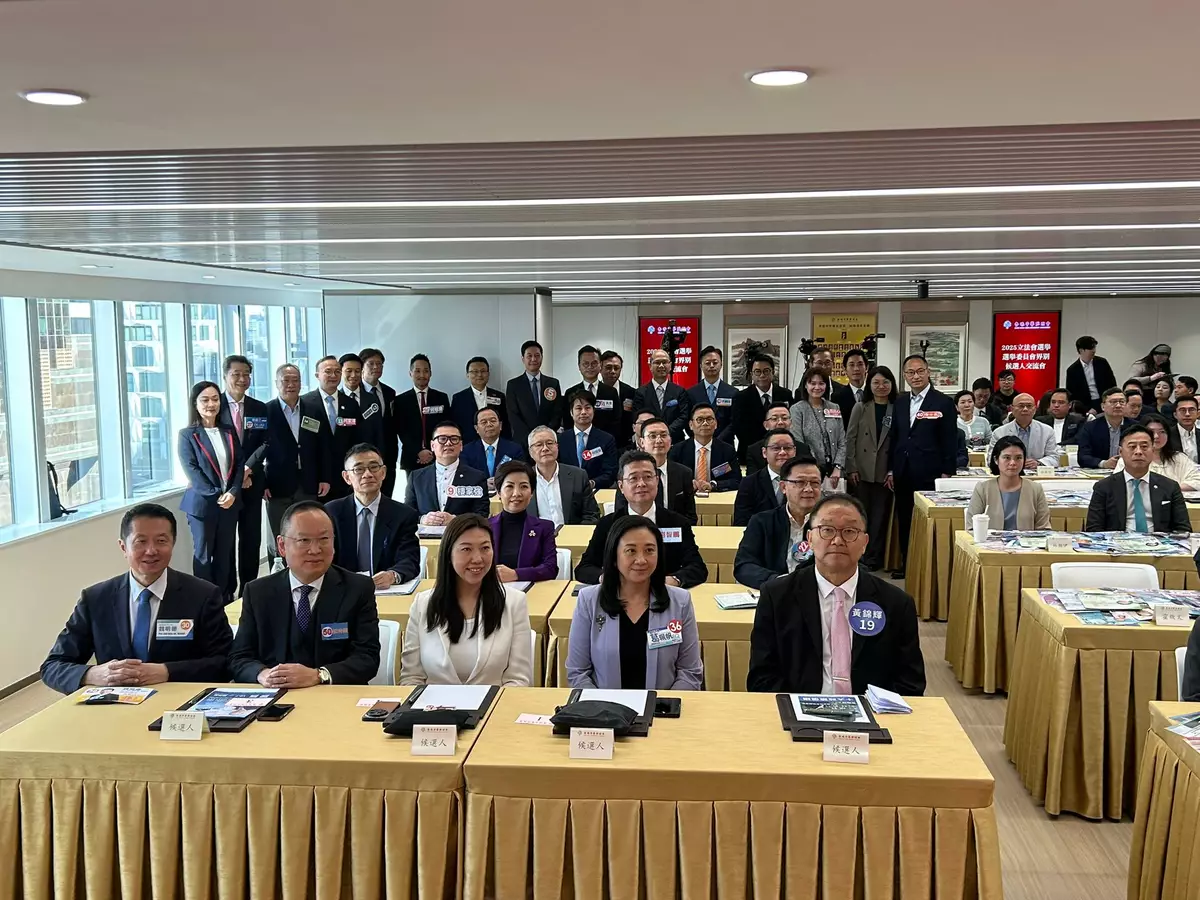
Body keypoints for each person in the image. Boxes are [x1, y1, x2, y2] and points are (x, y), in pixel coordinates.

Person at [41, 504, 232, 693]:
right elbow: (53, 666)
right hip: (115, 704)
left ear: (173, 544)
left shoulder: (202, 595)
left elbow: (224, 662)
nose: (151, 550)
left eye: (161, 541)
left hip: (178, 701)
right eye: (141, 542)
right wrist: (93, 674)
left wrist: (166, 671)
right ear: (123, 547)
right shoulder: (96, 599)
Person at [746, 495, 926, 695]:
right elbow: (762, 677)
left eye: (849, 531)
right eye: (827, 530)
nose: (838, 540)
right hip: (798, 709)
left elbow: (910, 683)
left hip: (872, 712)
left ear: (865, 542)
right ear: (810, 539)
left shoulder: (896, 603)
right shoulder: (776, 596)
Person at [229, 501, 380, 686]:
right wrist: (263, 674)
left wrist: (320, 675)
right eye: (304, 540)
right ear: (282, 545)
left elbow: (367, 657)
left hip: (336, 695)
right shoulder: (258, 592)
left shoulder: (358, 588)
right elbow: (239, 657)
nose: (315, 550)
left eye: (324, 539)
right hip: (275, 695)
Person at [566, 516, 703, 690]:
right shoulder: (589, 601)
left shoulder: (680, 602)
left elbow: (689, 672)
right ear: (614, 556)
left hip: (663, 704)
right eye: (631, 551)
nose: (641, 560)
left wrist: (663, 703)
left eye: (649, 550)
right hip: (602, 705)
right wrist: (601, 704)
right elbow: (578, 672)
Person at [401, 513, 533, 686]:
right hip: (433, 702)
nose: (478, 559)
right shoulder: (423, 604)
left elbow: (518, 679)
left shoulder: (514, 602)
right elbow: (411, 678)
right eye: (466, 549)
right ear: (448, 553)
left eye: (485, 548)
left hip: (493, 702)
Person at [575, 451, 708, 587]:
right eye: (633, 478)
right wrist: (608, 579)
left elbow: (697, 568)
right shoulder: (607, 524)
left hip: (665, 592)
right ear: (621, 486)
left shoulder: (677, 522)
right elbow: (584, 568)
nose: (641, 484)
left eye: (648, 477)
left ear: (657, 481)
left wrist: (673, 580)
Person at [888, 354, 958, 577]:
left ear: (928, 372)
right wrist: (891, 469)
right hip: (903, 470)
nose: (915, 376)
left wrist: (947, 472)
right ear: (904, 376)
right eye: (910, 372)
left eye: (920, 371)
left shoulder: (943, 402)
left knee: (928, 520)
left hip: (931, 472)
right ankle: (908, 564)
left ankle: (928, 567)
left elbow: (950, 439)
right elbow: (895, 436)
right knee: (905, 519)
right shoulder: (900, 402)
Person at [178, 381, 244, 601]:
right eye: (205, 400)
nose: (211, 404)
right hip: (203, 505)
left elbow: (239, 465)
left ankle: (224, 599)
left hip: (229, 503)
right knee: (204, 556)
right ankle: (205, 602)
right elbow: (192, 471)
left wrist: (233, 492)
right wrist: (218, 495)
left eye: (215, 399)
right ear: (195, 404)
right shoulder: (187, 435)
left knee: (225, 555)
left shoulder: (228, 431)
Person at [325, 443, 421, 588]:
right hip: (342, 589)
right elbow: (325, 557)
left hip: (386, 591)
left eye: (374, 467)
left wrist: (392, 575)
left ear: (383, 472)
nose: (368, 474)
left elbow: (409, 559)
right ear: (347, 477)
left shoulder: (403, 515)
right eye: (359, 469)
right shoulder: (331, 513)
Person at [263, 364, 330, 560]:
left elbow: (324, 446)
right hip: (277, 485)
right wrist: (262, 483)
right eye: (286, 380)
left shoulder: (313, 409)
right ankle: (280, 572)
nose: (291, 385)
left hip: (308, 482)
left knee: (308, 531)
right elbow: (257, 451)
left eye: (295, 380)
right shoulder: (266, 411)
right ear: (276, 383)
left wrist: (325, 477)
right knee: (280, 535)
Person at [219, 355, 269, 597]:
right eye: (236, 374)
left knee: (250, 539)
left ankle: (248, 591)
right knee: (226, 541)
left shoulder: (259, 408)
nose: (242, 379)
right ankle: (227, 592)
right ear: (225, 376)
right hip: (224, 485)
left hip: (252, 483)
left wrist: (248, 468)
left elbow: (265, 443)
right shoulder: (214, 405)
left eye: (246, 374)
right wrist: (237, 476)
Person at [734, 457, 824, 588]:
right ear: (783, 487)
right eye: (800, 482)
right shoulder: (762, 521)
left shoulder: (830, 525)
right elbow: (744, 566)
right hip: (774, 592)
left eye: (815, 483)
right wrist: (778, 581)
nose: (809, 489)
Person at [1085, 424, 1190, 533]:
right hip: (1117, 542)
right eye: (1132, 447)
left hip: (1159, 541)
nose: (1138, 452)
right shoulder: (1104, 487)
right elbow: (1094, 530)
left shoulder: (1170, 487)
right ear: (1120, 452)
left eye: (1144, 447)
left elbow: (1183, 529)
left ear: (1153, 451)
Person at [844, 365, 896, 570]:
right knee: (861, 516)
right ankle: (860, 556)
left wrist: (893, 470)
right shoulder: (861, 407)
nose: (881, 386)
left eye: (885, 382)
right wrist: (851, 467)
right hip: (862, 471)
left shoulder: (897, 408)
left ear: (892, 384)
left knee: (880, 517)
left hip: (885, 472)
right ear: (869, 385)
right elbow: (850, 438)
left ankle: (875, 558)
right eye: (876, 382)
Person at [615, 417, 697, 523]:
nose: (659, 441)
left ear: (670, 440)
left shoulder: (684, 473)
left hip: (672, 531)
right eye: (652, 436)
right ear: (642, 442)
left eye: (663, 435)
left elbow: (690, 516)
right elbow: (620, 514)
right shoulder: (629, 472)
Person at [404, 421, 490, 523]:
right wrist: (423, 519)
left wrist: (455, 520)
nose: (448, 443)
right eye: (442, 439)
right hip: (425, 532)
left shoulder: (477, 478)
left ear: (461, 445)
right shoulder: (416, 477)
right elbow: (407, 514)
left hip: (462, 532)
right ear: (432, 445)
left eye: (454, 439)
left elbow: (482, 514)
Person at [488, 461, 560, 583]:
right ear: (499, 492)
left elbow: (550, 569)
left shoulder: (545, 527)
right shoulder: (485, 527)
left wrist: (515, 574)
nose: (517, 493)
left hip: (531, 591)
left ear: (531, 493)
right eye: (509, 487)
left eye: (524, 487)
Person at [302, 355, 359, 500]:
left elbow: (356, 437)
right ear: (317, 375)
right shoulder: (304, 403)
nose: (333, 375)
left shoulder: (351, 404)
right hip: (315, 475)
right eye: (328, 371)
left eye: (337, 371)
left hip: (344, 474)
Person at [968, 437, 1051, 530]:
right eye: (1007, 458)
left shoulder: (1035, 489)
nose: (1012, 463)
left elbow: (1044, 529)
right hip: (988, 539)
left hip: (1028, 540)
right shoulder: (982, 489)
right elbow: (971, 527)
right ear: (996, 459)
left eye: (1018, 458)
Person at [526, 425, 600, 525]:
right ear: (530, 452)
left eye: (549, 443)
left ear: (557, 447)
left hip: (572, 534)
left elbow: (591, 515)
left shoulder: (578, 476)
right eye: (539, 445)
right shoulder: (524, 479)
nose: (545, 448)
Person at [789, 364, 846, 487]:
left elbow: (842, 440)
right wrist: (815, 467)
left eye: (821, 383)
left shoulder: (834, 407)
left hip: (835, 473)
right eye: (812, 383)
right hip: (808, 470)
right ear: (805, 385)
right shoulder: (797, 409)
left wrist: (838, 467)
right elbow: (798, 442)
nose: (817, 387)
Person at [394, 354, 450, 475]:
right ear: (410, 373)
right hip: (412, 458)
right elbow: (401, 430)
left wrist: (432, 450)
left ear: (430, 373)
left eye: (426, 371)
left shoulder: (441, 398)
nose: (422, 375)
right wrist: (418, 451)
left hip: (438, 456)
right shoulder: (400, 400)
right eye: (417, 371)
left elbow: (445, 426)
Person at [669, 402, 741, 493]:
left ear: (716, 424)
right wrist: (686, 484)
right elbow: (670, 479)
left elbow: (737, 480)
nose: (705, 423)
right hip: (687, 497)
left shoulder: (727, 450)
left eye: (709, 419)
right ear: (691, 425)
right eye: (700, 420)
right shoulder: (677, 450)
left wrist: (713, 485)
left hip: (717, 497)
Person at [732, 354, 793, 461]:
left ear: (773, 372)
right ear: (751, 374)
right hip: (750, 452)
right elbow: (739, 429)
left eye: (766, 371)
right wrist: (767, 446)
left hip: (781, 451)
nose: (762, 375)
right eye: (757, 371)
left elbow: (789, 423)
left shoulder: (785, 394)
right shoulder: (741, 397)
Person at [1115, 414, 1200, 490]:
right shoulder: (1129, 458)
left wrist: (1171, 490)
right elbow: (1118, 484)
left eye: (1162, 432)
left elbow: (1197, 479)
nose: (1156, 436)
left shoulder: (1179, 458)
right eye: (1151, 432)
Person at [733, 428, 797, 526]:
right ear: (764, 452)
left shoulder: (805, 482)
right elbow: (741, 521)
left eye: (788, 448)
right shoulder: (749, 483)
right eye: (776, 448)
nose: (782, 452)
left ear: (795, 451)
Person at [506, 340, 563, 447]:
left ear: (542, 357)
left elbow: (557, 412)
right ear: (523, 358)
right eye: (529, 356)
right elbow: (513, 415)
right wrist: (531, 439)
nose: (533, 359)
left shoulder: (553, 383)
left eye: (537, 355)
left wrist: (545, 435)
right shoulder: (513, 385)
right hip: (523, 442)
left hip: (548, 441)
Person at [557, 389, 619, 489]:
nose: (583, 412)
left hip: (597, 490)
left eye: (587, 408)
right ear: (571, 412)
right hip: (566, 489)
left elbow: (610, 472)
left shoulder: (606, 439)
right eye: (578, 408)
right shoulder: (560, 439)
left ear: (593, 411)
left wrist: (592, 483)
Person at [359, 348, 399, 496]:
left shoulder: (390, 392)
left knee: (386, 497)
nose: (376, 367)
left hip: (387, 455)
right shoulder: (354, 393)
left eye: (379, 364)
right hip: (363, 456)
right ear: (362, 367)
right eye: (371, 363)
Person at [632, 348, 692, 442]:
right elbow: (638, 418)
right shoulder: (640, 393)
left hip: (675, 440)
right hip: (649, 441)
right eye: (657, 362)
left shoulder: (680, 391)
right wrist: (654, 432)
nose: (661, 365)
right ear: (650, 366)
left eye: (664, 362)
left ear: (670, 365)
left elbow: (684, 416)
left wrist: (666, 432)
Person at [986, 393, 1059, 469]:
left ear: (1035, 409)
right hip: (1009, 471)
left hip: (1037, 472)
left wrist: (1038, 463)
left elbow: (1054, 458)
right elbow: (991, 459)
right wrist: (1011, 462)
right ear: (1012, 409)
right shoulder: (999, 432)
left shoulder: (1047, 431)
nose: (1025, 409)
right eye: (1021, 406)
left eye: (1029, 406)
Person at [565, 344, 622, 439]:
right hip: (579, 440)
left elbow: (616, 421)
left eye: (594, 363)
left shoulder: (611, 392)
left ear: (600, 365)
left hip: (605, 441)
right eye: (586, 363)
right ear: (579, 366)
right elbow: (567, 422)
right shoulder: (571, 392)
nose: (590, 367)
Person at [340, 353, 386, 468]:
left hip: (369, 460)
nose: (353, 375)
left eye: (357, 371)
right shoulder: (336, 400)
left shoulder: (372, 399)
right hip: (343, 461)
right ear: (341, 372)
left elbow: (378, 433)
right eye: (349, 371)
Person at [450, 355, 511, 442]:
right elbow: (455, 424)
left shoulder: (499, 396)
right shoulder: (458, 398)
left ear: (488, 374)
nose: (479, 375)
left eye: (483, 371)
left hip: (496, 442)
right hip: (469, 444)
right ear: (467, 375)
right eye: (475, 371)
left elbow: (505, 423)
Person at [686, 345, 737, 443]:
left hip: (725, 444)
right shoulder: (691, 393)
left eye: (715, 362)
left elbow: (734, 422)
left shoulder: (733, 392)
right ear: (701, 366)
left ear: (721, 364)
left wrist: (718, 440)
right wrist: (700, 438)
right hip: (699, 444)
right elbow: (688, 421)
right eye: (708, 363)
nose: (712, 365)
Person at [460, 406, 525, 482]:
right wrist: (484, 484)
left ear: (500, 425)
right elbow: (465, 476)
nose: (489, 424)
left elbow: (520, 475)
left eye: (493, 421)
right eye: (484, 422)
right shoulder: (466, 451)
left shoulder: (515, 449)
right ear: (476, 428)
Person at [745, 403, 810, 474]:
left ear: (791, 423)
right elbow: (752, 478)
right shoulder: (754, 450)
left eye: (784, 418)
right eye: (774, 419)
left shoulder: (803, 449)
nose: (780, 422)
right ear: (766, 425)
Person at [1077, 387, 1132, 469]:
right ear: (1103, 406)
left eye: (1122, 402)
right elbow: (1083, 457)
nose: (1118, 405)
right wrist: (1104, 463)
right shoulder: (1090, 427)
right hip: (1101, 471)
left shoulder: (1135, 427)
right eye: (1113, 402)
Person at [1066, 336, 1118, 413]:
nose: (1094, 351)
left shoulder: (1102, 363)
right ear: (1081, 350)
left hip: (1104, 400)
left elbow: (1112, 384)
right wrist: (1086, 409)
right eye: (1090, 348)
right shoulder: (1072, 370)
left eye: (1094, 347)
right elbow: (1072, 395)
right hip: (1085, 405)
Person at [599, 350, 638, 447]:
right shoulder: (594, 392)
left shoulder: (631, 392)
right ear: (600, 368)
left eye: (616, 368)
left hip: (624, 443)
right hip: (600, 442)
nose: (613, 371)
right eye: (608, 367)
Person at [830, 348, 870, 423]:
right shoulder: (836, 397)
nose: (856, 369)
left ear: (866, 368)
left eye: (860, 364)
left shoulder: (874, 393)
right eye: (851, 365)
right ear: (844, 369)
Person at [1172, 395, 1200, 463]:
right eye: (1182, 410)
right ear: (1175, 415)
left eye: (1191, 410)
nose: (1187, 414)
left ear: (1197, 414)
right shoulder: (1167, 435)